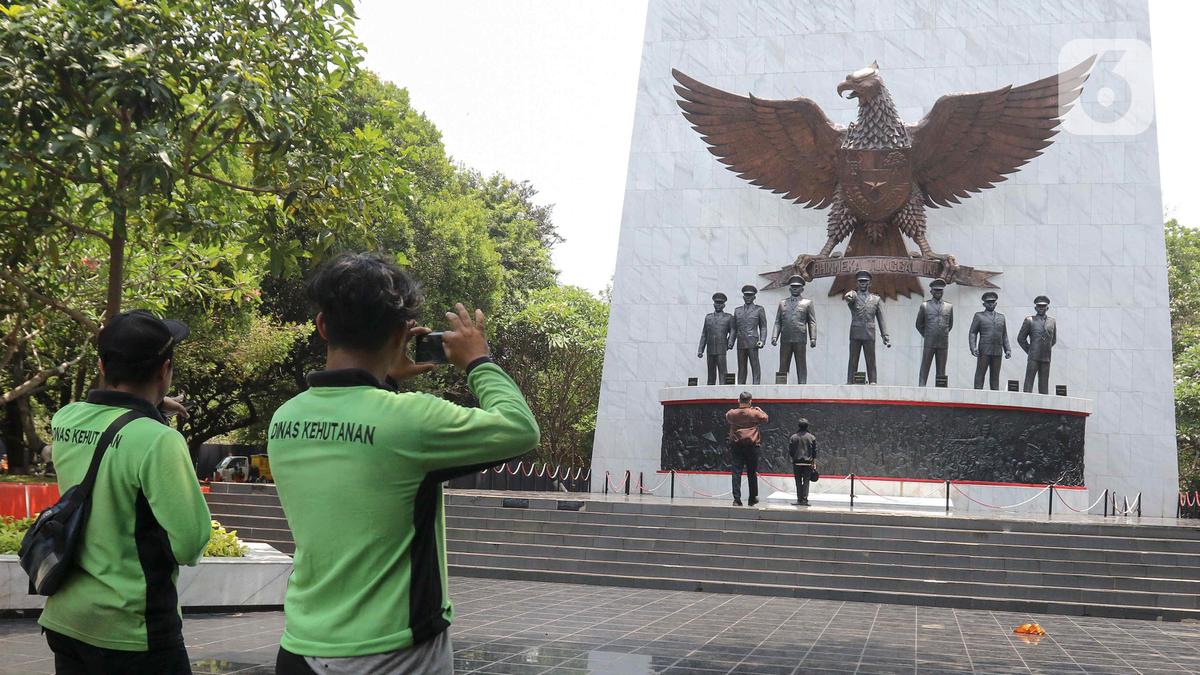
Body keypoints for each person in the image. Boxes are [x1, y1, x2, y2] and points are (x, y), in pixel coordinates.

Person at [268, 253, 540, 675]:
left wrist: (386, 378)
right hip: (393, 652)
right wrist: (478, 361)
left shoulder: (285, 419)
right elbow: (519, 428)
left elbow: (363, 444)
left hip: (300, 645)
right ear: (400, 333)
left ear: (323, 325)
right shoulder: (410, 420)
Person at [39, 310, 210, 674]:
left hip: (67, 621)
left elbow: (104, 412)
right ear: (165, 370)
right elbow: (191, 543)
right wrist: (156, 407)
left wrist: (156, 402)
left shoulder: (66, 420)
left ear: (102, 365)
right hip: (131, 630)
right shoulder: (159, 441)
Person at [844, 270, 890, 384]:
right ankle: (850, 381)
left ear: (870, 283)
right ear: (857, 283)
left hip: (869, 333)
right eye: (860, 281)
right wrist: (850, 294)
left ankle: (873, 381)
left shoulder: (876, 299)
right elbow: (847, 298)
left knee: (871, 360)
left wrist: (885, 335)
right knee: (853, 360)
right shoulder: (853, 297)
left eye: (865, 281)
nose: (863, 283)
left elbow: (881, 318)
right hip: (855, 333)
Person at [725, 391, 768, 507]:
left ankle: (736, 499)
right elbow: (765, 418)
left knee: (736, 473)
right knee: (752, 473)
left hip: (736, 446)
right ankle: (752, 498)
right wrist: (759, 410)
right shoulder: (754, 413)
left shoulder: (732, 413)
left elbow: (727, 417)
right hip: (752, 446)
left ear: (738, 400)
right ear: (750, 401)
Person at [771, 275, 817, 384]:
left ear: (802, 289)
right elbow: (778, 321)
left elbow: (812, 322)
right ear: (789, 288)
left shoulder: (807, 303)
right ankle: (780, 387)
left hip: (800, 338)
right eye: (793, 286)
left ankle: (802, 385)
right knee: (783, 364)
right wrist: (774, 337)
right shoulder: (783, 303)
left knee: (801, 364)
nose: (795, 288)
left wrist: (813, 338)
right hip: (785, 338)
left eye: (797, 286)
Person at [969, 291, 1011, 390]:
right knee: (980, 374)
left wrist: (1007, 349)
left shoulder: (1001, 317)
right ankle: (977, 395)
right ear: (984, 304)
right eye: (988, 302)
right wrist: (973, 347)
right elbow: (973, 332)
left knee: (995, 377)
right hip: (984, 350)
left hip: (997, 350)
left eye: (993, 302)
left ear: (996, 303)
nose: (991, 304)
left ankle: (995, 398)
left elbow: (1004, 334)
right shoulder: (979, 316)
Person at [915, 278, 953, 386]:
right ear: (931, 291)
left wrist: (942, 333)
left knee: (941, 369)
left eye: (940, 291)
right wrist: (927, 335)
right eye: (936, 291)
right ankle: (921, 386)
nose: (938, 293)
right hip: (929, 341)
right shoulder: (925, 306)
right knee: (925, 366)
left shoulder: (949, 307)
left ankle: (940, 389)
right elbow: (918, 324)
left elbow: (950, 325)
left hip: (943, 342)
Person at [1017, 295, 1057, 394]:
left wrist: (1045, 348)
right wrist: (1030, 350)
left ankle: (1044, 407)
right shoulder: (1029, 320)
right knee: (1029, 382)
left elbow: (1053, 339)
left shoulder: (1052, 321)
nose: (1041, 308)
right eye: (1039, 306)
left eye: (1043, 306)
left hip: (1046, 357)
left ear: (1047, 308)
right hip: (1033, 356)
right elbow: (1021, 338)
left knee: (1044, 384)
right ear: (1035, 308)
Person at [733, 285, 768, 385]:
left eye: (750, 295)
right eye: (746, 295)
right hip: (740, 342)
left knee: (755, 364)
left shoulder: (759, 309)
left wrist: (762, 340)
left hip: (753, 342)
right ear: (743, 297)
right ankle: (740, 385)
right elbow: (734, 329)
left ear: (754, 297)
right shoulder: (737, 310)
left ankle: (756, 384)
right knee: (741, 366)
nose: (748, 297)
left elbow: (763, 327)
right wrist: (730, 342)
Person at [698, 292, 735, 385]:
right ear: (713, 304)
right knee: (710, 372)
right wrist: (700, 350)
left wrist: (730, 342)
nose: (718, 305)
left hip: (721, 347)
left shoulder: (728, 317)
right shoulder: (708, 317)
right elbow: (704, 334)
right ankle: (710, 392)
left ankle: (724, 389)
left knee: (723, 371)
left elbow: (733, 331)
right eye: (716, 303)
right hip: (710, 348)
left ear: (724, 305)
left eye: (720, 303)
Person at [789, 418, 817, 506]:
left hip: (797, 462)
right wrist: (813, 461)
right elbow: (814, 451)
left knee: (798, 481)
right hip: (807, 463)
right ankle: (805, 500)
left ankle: (799, 500)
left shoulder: (793, 437)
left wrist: (794, 457)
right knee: (806, 481)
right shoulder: (812, 437)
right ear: (807, 426)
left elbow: (791, 451)